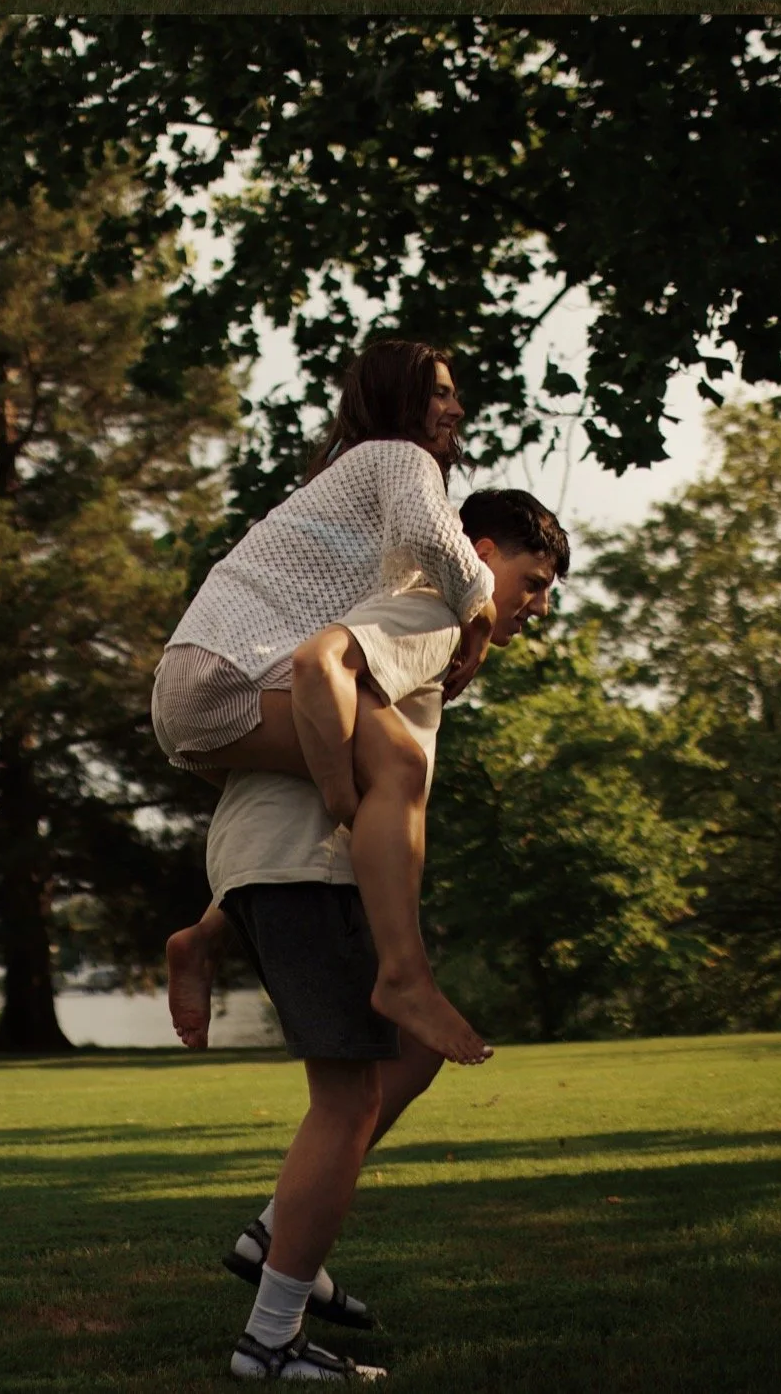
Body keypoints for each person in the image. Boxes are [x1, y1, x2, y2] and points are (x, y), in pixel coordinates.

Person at [196, 485, 566, 1382]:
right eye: (534, 577)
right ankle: (270, 1337)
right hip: (304, 871)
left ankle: (276, 1234)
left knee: (410, 1054)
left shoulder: (400, 608)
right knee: (349, 1100)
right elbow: (320, 666)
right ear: (477, 550)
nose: (538, 604)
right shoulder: (437, 602)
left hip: (281, 867)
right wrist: (338, 799)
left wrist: (212, 919)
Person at [152, 342, 550, 1065]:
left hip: (203, 684)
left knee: (317, 800)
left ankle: (203, 938)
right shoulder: (398, 458)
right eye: (438, 393)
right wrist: (481, 617)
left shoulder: (347, 479)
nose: (454, 408)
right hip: (231, 676)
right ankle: (403, 977)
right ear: (396, 400)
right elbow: (440, 540)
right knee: (396, 764)